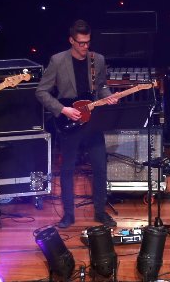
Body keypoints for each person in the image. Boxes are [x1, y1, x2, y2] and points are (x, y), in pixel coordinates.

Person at [36, 20, 118, 228]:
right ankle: (68, 215)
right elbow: (41, 91)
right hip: (68, 119)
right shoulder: (57, 60)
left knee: (100, 167)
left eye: (88, 42)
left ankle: (100, 212)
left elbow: (102, 86)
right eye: (80, 43)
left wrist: (108, 97)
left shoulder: (97, 60)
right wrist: (62, 109)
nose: (85, 47)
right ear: (71, 40)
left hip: (92, 119)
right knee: (67, 169)